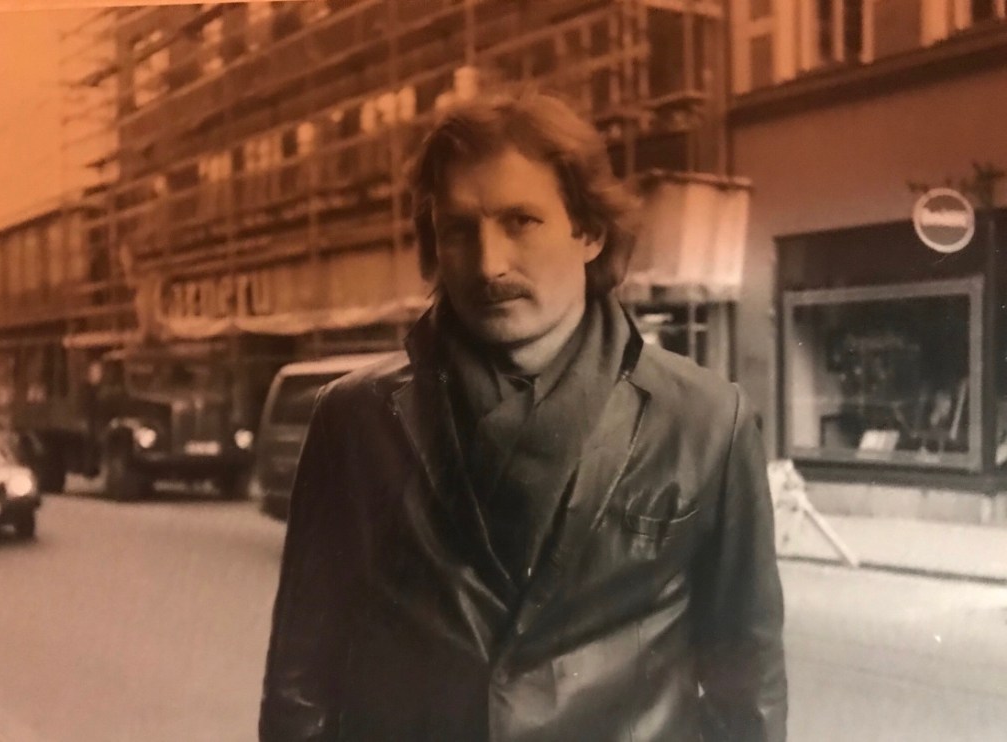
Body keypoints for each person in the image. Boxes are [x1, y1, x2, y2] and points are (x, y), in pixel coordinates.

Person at [260, 91, 787, 741]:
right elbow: (300, 681)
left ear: (589, 232)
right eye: (459, 229)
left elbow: (748, 681)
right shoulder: (352, 420)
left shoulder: (706, 421)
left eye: (521, 221)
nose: (489, 264)